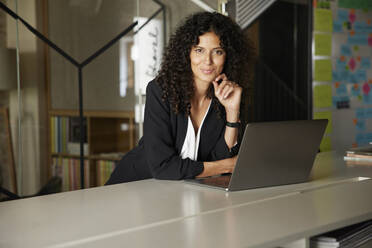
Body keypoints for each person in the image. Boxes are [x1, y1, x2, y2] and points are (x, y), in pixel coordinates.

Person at [106, 11, 252, 185]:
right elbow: (163, 167)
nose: (208, 61)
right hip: (133, 186)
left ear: (228, 56)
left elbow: (218, 158)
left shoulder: (224, 97)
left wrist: (232, 111)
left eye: (217, 52)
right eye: (199, 50)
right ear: (187, 53)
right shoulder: (161, 91)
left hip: (177, 192)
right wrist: (224, 166)